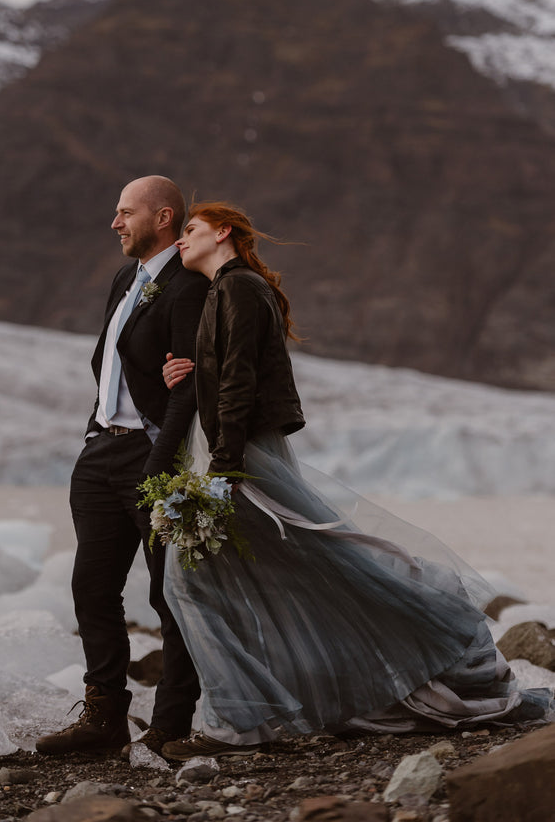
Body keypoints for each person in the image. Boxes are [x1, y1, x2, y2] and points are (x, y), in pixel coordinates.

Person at [156, 201, 554, 761]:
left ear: (222, 233)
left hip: (240, 459)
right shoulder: (229, 291)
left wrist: (223, 472)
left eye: (191, 230)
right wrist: (192, 374)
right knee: (288, 569)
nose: (180, 240)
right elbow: (231, 370)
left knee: (217, 575)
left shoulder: (239, 287)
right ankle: (263, 711)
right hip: (238, 454)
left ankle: (241, 721)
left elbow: (242, 380)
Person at [36, 176, 209, 758]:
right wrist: (95, 430)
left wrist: (160, 467)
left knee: (170, 593)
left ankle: (171, 725)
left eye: (124, 212)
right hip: (101, 453)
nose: (115, 222)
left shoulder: (186, 286)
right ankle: (105, 716)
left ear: (162, 217)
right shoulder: (124, 279)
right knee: (92, 586)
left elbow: (190, 385)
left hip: (151, 454)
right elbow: (109, 362)